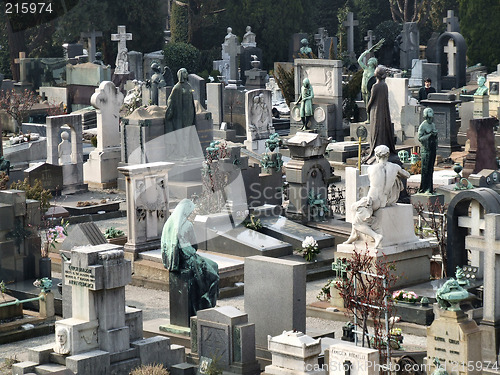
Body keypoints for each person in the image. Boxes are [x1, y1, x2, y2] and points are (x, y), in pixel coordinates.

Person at [344, 145, 410, 248]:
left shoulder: (372, 168)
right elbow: (407, 175)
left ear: (376, 155)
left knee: (356, 219)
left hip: (373, 201)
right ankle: (353, 234)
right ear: (388, 155)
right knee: (355, 209)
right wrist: (396, 175)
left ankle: (376, 236)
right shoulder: (395, 167)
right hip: (385, 200)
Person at [161, 199, 219, 316]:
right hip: (188, 260)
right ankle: (206, 300)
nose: (190, 214)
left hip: (175, 262)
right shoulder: (187, 225)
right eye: (190, 211)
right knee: (214, 269)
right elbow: (195, 245)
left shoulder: (168, 224)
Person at [364, 66, 397, 164]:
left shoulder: (375, 86)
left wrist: (367, 107)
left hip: (375, 111)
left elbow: (372, 99)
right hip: (384, 111)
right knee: (383, 129)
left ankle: (375, 150)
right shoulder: (385, 85)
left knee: (376, 130)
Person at [358, 38, 384, 123]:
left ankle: (371, 119)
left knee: (370, 105)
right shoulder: (365, 69)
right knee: (366, 105)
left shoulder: (374, 73)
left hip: (369, 91)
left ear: (373, 63)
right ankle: (368, 118)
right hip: (363, 89)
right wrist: (366, 52)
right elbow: (359, 60)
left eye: (370, 60)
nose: (368, 61)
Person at [165, 68, 196, 133]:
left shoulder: (188, 86)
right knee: (183, 130)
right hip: (182, 112)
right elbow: (171, 99)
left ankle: (188, 142)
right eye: (184, 72)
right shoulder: (177, 87)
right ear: (181, 74)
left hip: (190, 112)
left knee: (189, 130)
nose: (186, 74)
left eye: (186, 72)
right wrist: (170, 110)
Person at [418, 107, 438, 194]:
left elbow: (435, 136)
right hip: (425, 150)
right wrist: (429, 135)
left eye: (431, 117)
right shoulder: (423, 125)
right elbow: (420, 138)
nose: (431, 118)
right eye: (429, 117)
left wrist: (435, 135)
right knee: (425, 170)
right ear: (425, 115)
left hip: (432, 149)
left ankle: (430, 188)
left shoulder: (432, 125)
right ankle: (424, 188)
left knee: (431, 169)